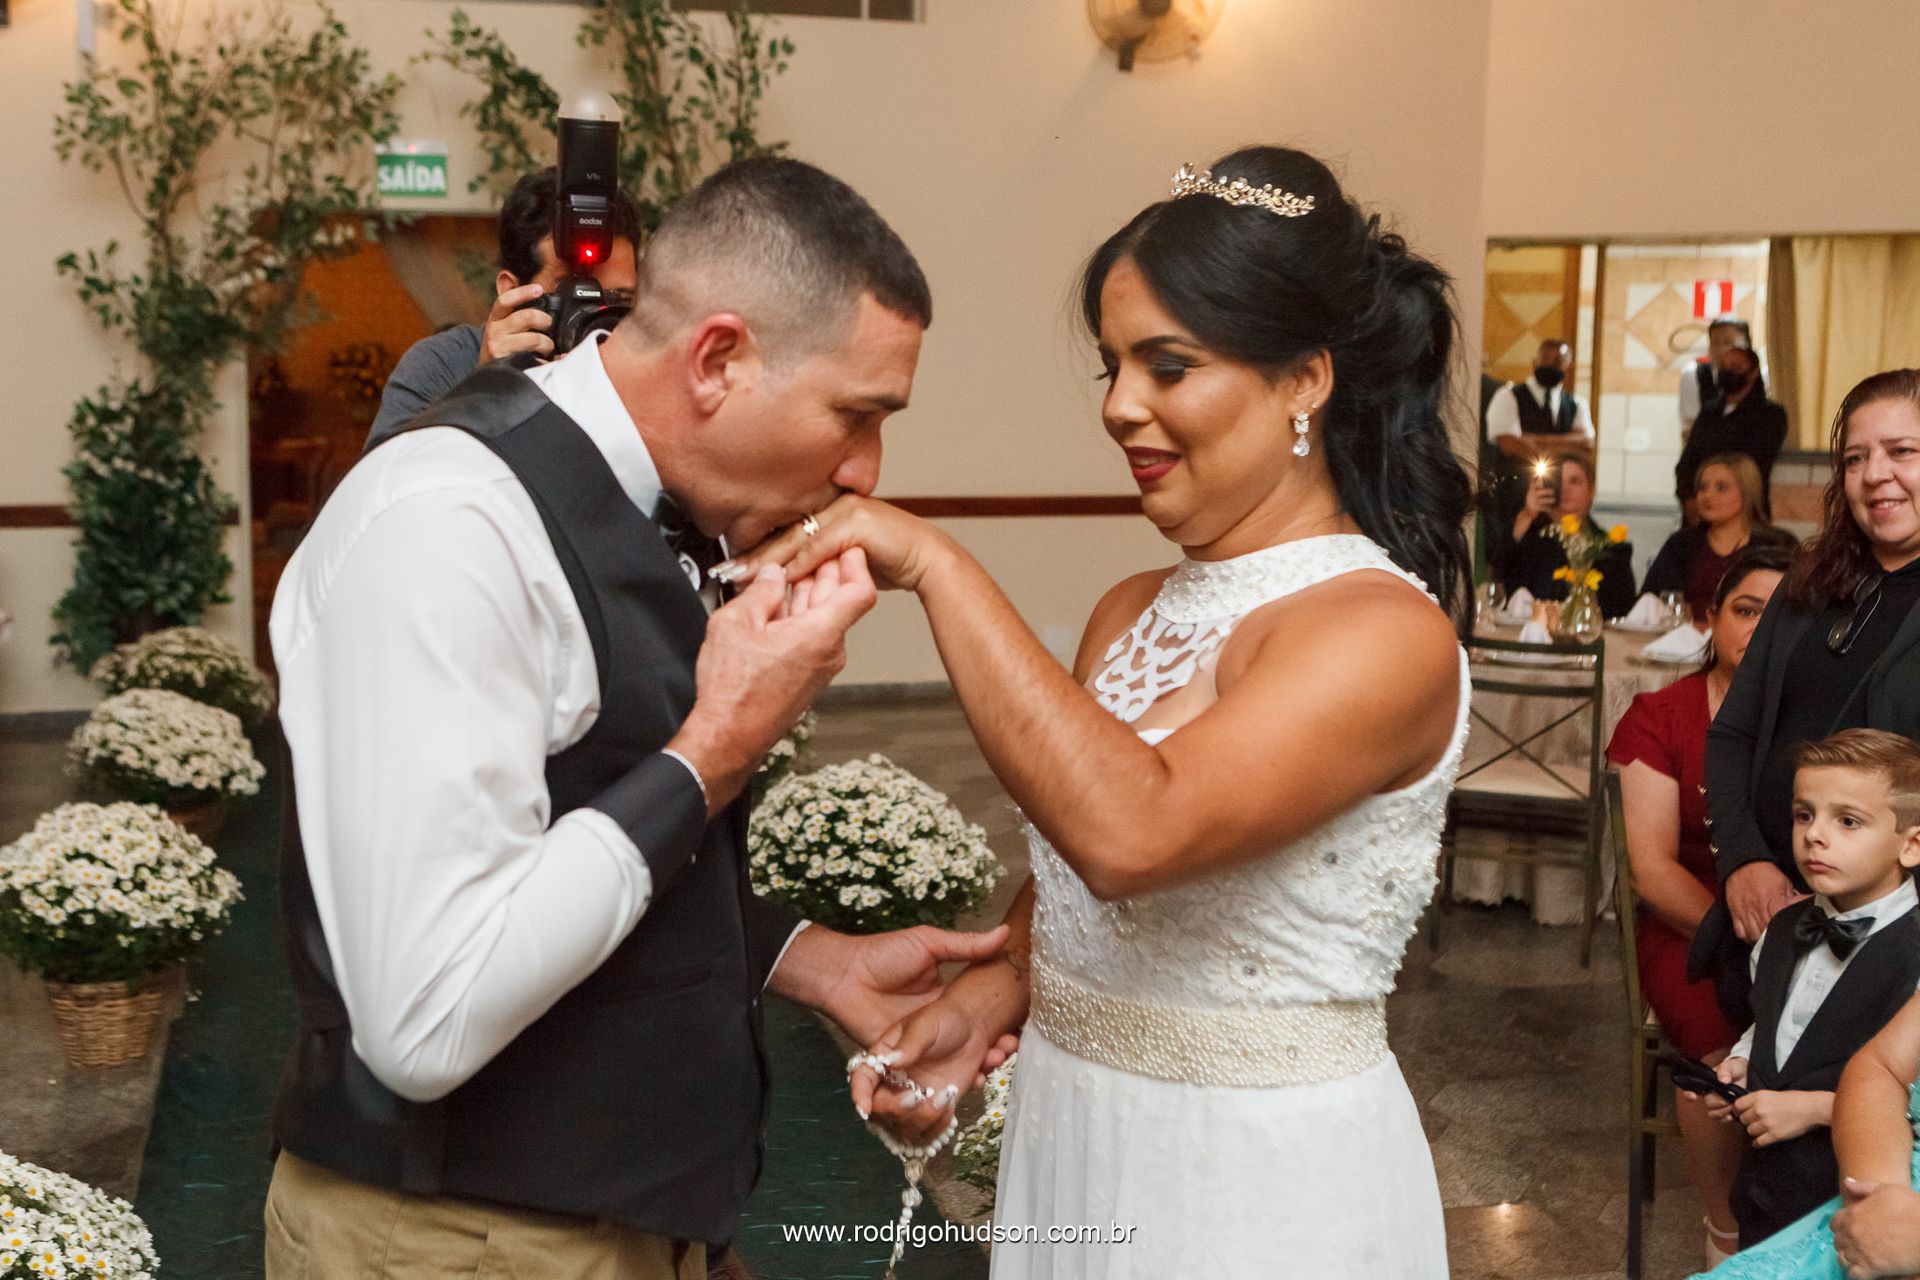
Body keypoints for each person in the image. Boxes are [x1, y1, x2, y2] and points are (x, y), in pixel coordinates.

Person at [726, 145, 1473, 1277]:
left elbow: (1136, 832)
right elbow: (1076, 873)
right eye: (1114, 368)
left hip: (1255, 1175)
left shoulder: (1379, 631)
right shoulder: (1131, 608)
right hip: (1075, 1127)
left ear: (1305, 381)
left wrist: (935, 562)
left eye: (1167, 366)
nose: (1122, 406)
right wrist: (985, 1000)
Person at [264, 157, 1014, 1280]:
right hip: (456, 1239)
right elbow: (425, 1019)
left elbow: (567, 818)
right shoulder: (448, 523)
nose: (867, 470)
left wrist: (800, 958)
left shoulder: (652, 500)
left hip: (628, 1221)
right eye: (855, 415)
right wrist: (718, 743)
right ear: (717, 359)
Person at [1696, 369, 1920, 1028]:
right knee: (1743, 1099)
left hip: (1890, 947)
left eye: (1901, 452)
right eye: (1856, 458)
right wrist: (1744, 863)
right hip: (1764, 921)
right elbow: (1733, 735)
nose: (1875, 474)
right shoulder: (1808, 587)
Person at [1609, 543, 1790, 1266]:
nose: (1760, 629)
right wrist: (1746, 935)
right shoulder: (1663, 715)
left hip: (1797, 931)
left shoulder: (1813, 719)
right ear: (1709, 617)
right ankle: (1726, 1234)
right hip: (1691, 932)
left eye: (1783, 616)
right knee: (1720, 1057)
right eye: (1746, 610)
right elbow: (1650, 870)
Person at [1686, 729, 1920, 1257]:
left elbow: (1914, 1107)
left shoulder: (1915, 957)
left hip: (1854, 1209)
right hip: (1767, 1192)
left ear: (1911, 844)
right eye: (1804, 815)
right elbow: (1770, 1020)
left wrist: (1813, 1109)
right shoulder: (1783, 927)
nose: (1816, 836)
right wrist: (1745, 1062)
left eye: (1848, 821)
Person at [368, 167, 643, 439]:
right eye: (575, 293)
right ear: (512, 291)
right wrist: (488, 388)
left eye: (619, 298)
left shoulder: (645, 370)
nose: (597, 319)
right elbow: (389, 479)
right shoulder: (443, 365)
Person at [1645, 453, 1797, 624]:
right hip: (1682, 643)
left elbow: (1793, 607)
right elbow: (1652, 601)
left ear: (1747, 491)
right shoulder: (1681, 544)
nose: (1707, 495)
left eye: (1721, 487)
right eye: (1702, 488)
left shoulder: (1777, 545)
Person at [1492, 450, 1637, 618]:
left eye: (1575, 481)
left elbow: (1623, 612)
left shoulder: (1612, 550)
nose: (1566, 489)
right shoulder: (1528, 541)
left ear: (1591, 490)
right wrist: (1527, 514)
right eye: (1558, 482)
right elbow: (1499, 580)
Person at [1485, 338, 1597, 528]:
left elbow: (1586, 442)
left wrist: (1532, 439)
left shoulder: (1577, 403)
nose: (1549, 364)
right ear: (1535, 361)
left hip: (1560, 499)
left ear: (1567, 367)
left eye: (1557, 361)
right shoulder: (1508, 396)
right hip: (1513, 495)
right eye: (1545, 358)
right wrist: (1566, 444)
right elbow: (1510, 445)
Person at [1678, 344, 1791, 520]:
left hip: (1745, 514)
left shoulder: (1769, 414)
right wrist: (1688, 497)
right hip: (1700, 513)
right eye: (1723, 368)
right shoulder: (1709, 411)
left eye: (1736, 367)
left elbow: (1753, 465)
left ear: (1753, 373)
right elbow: (1688, 461)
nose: (1728, 372)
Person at [1681, 315, 1758, 439]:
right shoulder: (1694, 375)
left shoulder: (1761, 376)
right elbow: (1688, 429)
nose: (1721, 350)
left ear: (1746, 346)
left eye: (1728, 343)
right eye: (1715, 343)